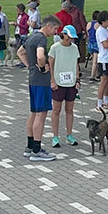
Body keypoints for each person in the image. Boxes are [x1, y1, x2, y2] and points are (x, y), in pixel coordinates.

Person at [17, 15, 61, 162]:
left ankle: (29, 146)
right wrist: (42, 67)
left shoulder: (31, 37)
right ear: (48, 26)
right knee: (41, 114)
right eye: (55, 29)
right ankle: (37, 149)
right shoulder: (42, 39)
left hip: (32, 80)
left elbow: (20, 52)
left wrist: (30, 66)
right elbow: (40, 56)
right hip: (41, 81)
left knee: (34, 113)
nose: (55, 32)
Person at [48, 25, 80, 149]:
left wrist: (77, 79)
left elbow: (76, 65)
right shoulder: (55, 48)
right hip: (58, 83)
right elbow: (50, 65)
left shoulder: (75, 48)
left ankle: (69, 135)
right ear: (64, 34)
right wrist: (52, 80)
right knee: (56, 110)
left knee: (70, 109)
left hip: (71, 83)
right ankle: (55, 136)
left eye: (72, 38)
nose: (70, 40)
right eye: (69, 37)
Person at [87, 11, 100, 82]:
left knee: (94, 60)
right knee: (95, 61)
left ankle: (97, 73)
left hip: (90, 44)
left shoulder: (89, 24)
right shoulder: (98, 24)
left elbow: (88, 34)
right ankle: (92, 76)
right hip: (96, 44)